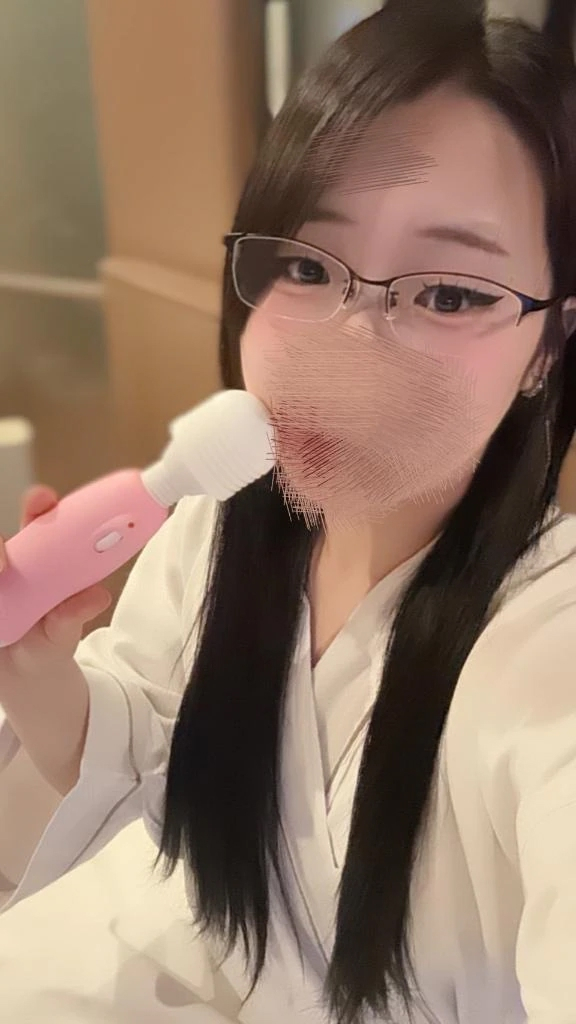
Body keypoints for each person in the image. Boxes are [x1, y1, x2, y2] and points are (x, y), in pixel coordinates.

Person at [2, 1, 576, 1021]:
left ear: (548, 348)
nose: (348, 344)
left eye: (449, 294)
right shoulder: (220, 522)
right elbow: (155, 747)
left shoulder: (547, 645)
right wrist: (40, 670)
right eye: (307, 267)